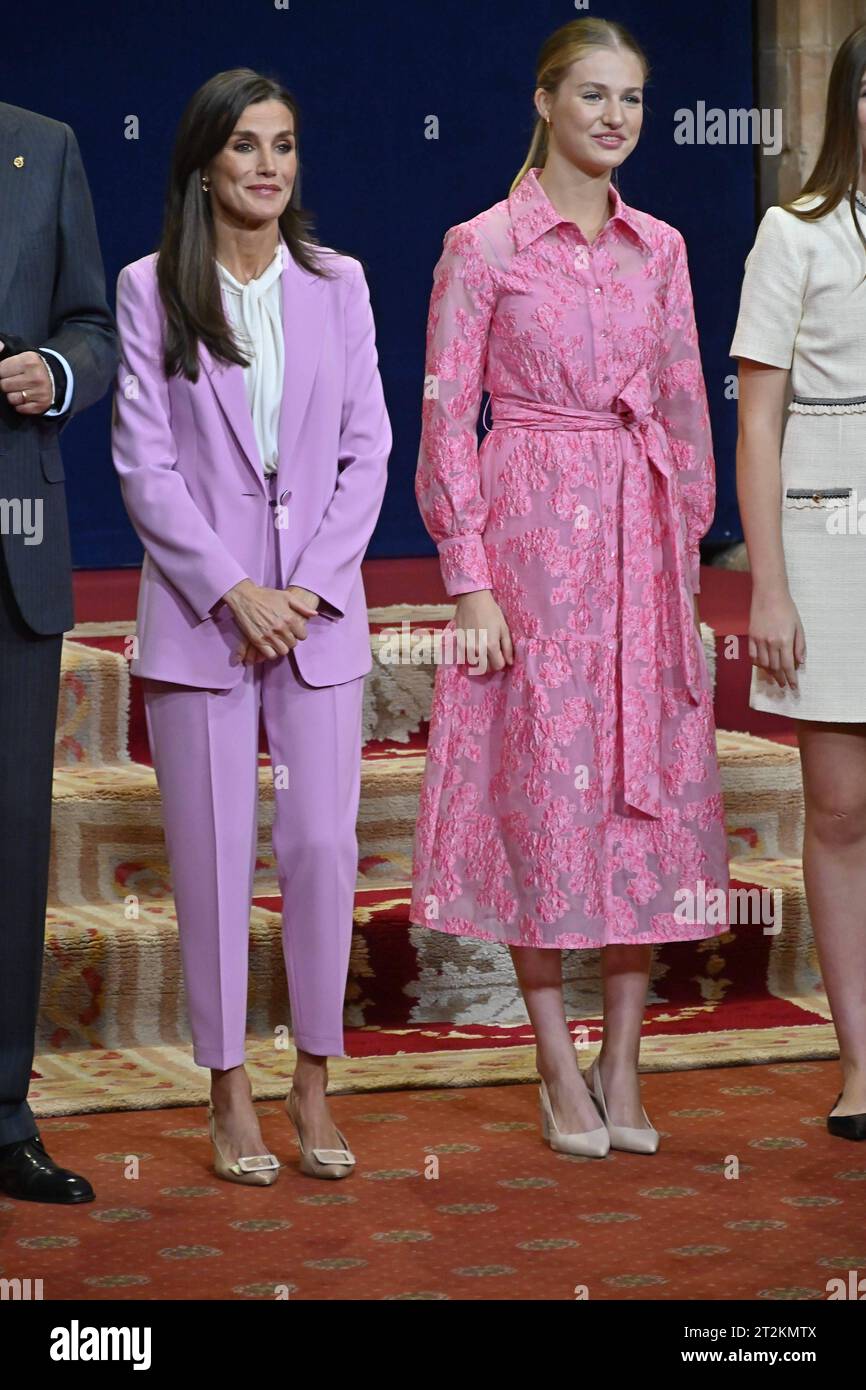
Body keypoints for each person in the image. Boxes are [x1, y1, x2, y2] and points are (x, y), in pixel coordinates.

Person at [410, 18, 729, 1157]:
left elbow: (687, 413)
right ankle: (555, 1062)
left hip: (640, 548)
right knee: (540, 795)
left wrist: (682, 569)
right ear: (543, 101)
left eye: (631, 99)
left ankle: (624, 1061)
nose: (613, 118)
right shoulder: (482, 244)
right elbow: (447, 418)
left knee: (645, 799)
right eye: (591, 95)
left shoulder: (664, 247)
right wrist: (469, 582)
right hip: (529, 543)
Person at [112, 69, 390, 1183]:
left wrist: (310, 588)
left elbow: (366, 450)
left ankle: (312, 1082)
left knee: (321, 852)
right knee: (215, 860)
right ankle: (226, 1089)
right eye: (244, 147)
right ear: (203, 164)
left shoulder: (339, 283)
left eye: (282, 145)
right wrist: (235, 590)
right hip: (202, 619)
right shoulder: (148, 289)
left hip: (316, 621)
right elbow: (144, 463)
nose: (268, 165)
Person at [731, 23, 866, 1142]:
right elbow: (759, 419)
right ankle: (859, 1058)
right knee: (840, 807)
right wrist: (765, 584)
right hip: (829, 537)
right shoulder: (794, 231)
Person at [0, 102, 117, 1202]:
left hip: (11, 557)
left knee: (11, 850)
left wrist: (52, 369)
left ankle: (1, 1115)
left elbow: (96, 328)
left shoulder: (46, 146)